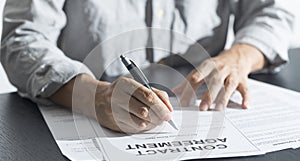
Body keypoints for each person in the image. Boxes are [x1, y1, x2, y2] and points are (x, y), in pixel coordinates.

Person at [1, 0, 294, 133]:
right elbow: (22, 37)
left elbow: (273, 11)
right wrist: (94, 96)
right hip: (86, 103)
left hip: (206, 105)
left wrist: (241, 55)